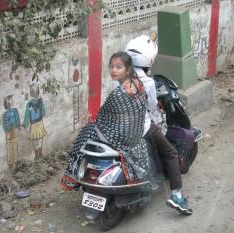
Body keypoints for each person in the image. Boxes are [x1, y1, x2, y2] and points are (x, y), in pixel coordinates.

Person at [126, 34, 193, 215]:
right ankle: (177, 196)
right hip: (141, 128)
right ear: (148, 61)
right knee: (171, 153)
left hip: (120, 126)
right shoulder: (147, 82)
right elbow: (152, 107)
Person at [61, 51, 148, 189]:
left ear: (128, 70)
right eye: (111, 66)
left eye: (118, 67)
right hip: (136, 134)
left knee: (87, 130)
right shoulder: (138, 84)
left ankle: (72, 176)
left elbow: (102, 115)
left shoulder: (118, 93)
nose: (113, 70)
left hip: (120, 137)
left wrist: (96, 123)